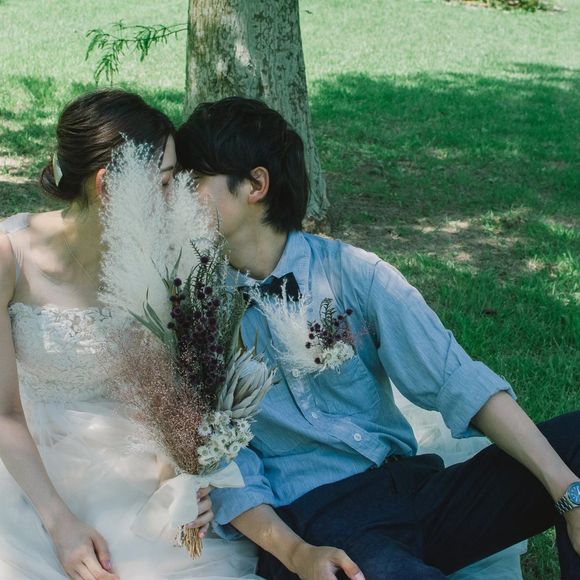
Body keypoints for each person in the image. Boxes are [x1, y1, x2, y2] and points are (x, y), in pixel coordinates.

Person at [175, 96, 580, 580]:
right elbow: (226, 464)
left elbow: (455, 377)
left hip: (414, 491)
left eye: (194, 179)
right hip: (321, 522)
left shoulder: (352, 272)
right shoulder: (199, 313)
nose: (179, 193)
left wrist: (569, 493)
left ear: (255, 185)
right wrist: (298, 554)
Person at [0, 89, 259, 580]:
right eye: (163, 182)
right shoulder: (10, 256)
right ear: (108, 184)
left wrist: (182, 479)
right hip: (30, 464)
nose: (175, 197)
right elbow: (4, 413)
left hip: (133, 453)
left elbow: (168, 386)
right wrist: (60, 525)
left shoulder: (162, 255)